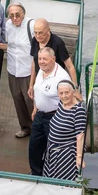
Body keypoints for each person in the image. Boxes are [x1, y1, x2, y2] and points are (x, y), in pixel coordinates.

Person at [0, 2, 35, 138]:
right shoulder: (8, 25)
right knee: (17, 99)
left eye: (18, 14)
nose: (15, 17)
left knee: (31, 100)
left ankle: (37, 129)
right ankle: (25, 127)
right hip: (13, 69)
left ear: (23, 13)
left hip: (28, 70)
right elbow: (10, 46)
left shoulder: (31, 25)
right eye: (11, 15)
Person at [28, 47, 71, 176]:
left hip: (54, 117)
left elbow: (69, 100)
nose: (41, 62)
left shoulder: (62, 78)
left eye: (45, 59)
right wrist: (35, 108)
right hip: (40, 115)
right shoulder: (41, 71)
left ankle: (53, 175)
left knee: (54, 148)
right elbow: (38, 90)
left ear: (53, 59)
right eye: (40, 59)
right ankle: (36, 172)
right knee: (34, 145)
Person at [43, 80, 86, 181]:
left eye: (67, 92)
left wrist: (79, 157)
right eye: (61, 93)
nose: (64, 96)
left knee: (62, 184)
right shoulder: (61, 104)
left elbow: (80, 136)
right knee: (49, 181)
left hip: (65, 155)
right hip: (52, 152)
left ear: (74, 93)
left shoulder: (78, 111)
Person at [28, 18, 78, 99]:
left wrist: (75, 88)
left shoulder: (57, 43)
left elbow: (70, 66)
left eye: (41, 33)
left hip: (55, 81)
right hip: (40, 78)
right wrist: (31, 85)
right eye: (35, 33)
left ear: (48, 30)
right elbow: (34, 62)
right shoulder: (35, 40)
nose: (38, 36)